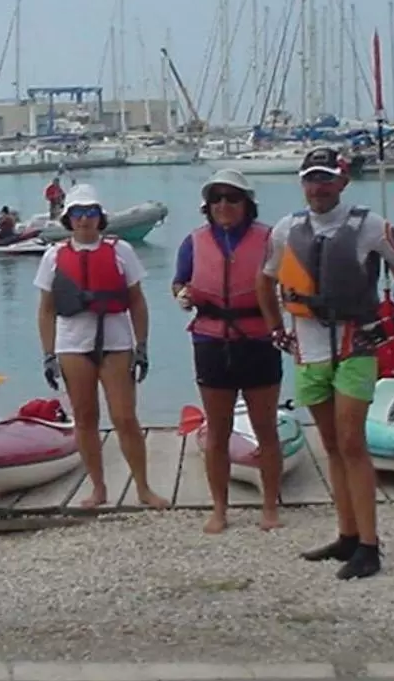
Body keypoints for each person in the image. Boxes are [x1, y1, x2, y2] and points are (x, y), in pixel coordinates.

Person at [256, 147, 394, 581]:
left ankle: (370, 545)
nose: (318, 187)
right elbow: (266, 278)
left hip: (356, 344)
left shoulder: (369, 225)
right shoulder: (286, 229)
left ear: (343, 181)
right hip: (308, 349)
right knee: (332, 445)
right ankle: (347, 535)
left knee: (352, 441)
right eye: (311, 179)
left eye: (326, 179)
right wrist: (274, 327)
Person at [35, 184, 167, 510]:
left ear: (100, 217)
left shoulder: (120, 251)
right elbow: (47, 309)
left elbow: (137, 301)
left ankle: (144, 488)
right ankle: (98, 487)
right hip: (72, 345)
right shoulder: (53, 256)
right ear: (69, 219)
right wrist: (49, 354)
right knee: (85, 417)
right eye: (78, 214)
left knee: (124, 417)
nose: (84, 220)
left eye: (90, 213)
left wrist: (143, 345)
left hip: (116, 343)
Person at [172, 168, 285, 534]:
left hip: (258, 339)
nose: (224, 205)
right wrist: (181, 295)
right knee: (217, 430)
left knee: (265, 428)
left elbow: (292, 282)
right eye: (216, 198)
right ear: (207, 206)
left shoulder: (270, 239)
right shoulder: (194, 242)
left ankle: (271, 507)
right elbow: (180, 280)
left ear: (247, 204)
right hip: (210, 339)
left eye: (232, 198)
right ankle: (219, 509)